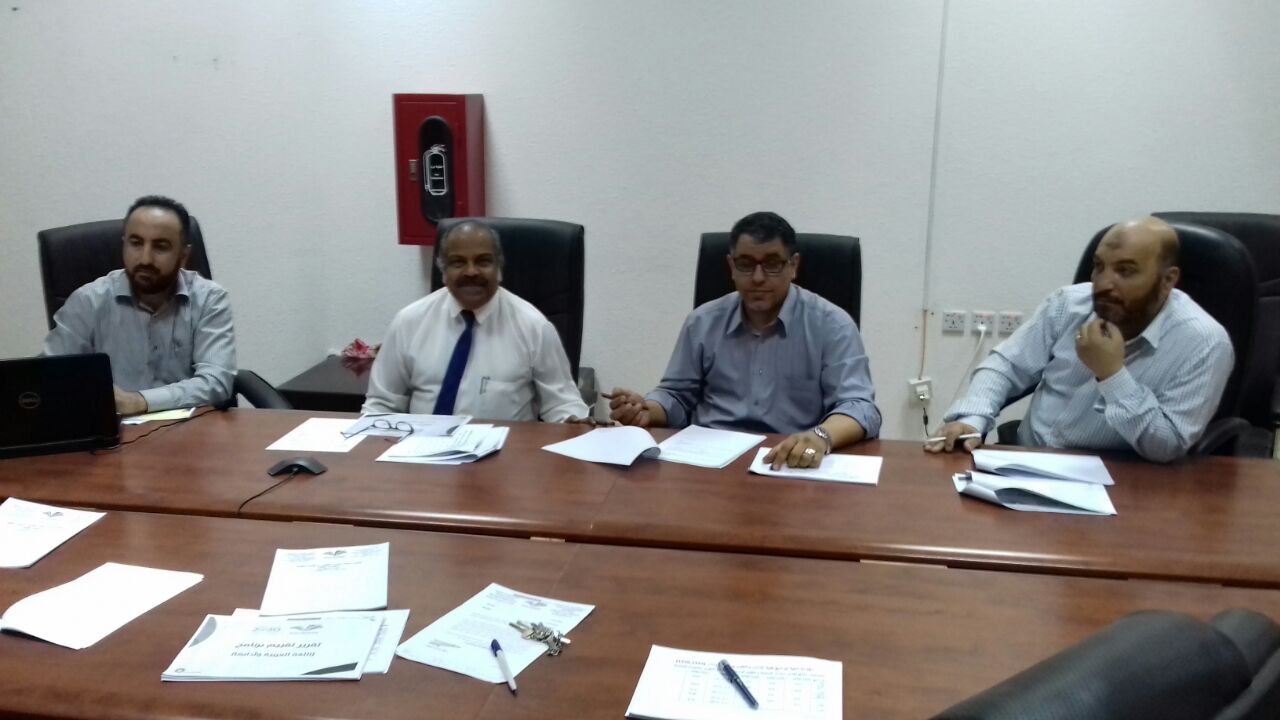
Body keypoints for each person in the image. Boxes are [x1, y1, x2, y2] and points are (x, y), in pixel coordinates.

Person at [926, 216, 1233, 463]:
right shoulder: (1068, 305)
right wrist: (973, 418)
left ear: (1167, 280)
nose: (1103, 283)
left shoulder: (1205, 343)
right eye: (1099, 267)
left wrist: (1112, 376)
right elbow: (1006, 365)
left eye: (1125, 271)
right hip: (1027, 461)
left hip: (1121, 484)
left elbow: (1168, 445)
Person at [609, 211, 881, 469]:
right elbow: (677, 397)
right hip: (706, 463)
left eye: (772, 265)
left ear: (793, 266)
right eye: (746, 265)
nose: (758, 278)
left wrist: (821, 436)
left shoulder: (832, 325)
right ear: (732, 266)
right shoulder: (702, 322)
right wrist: (647, 409)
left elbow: (859, 407)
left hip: (788, 460)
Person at [362, 220, 591, 422]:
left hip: (507, 453)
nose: (471, 272)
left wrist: (573, 422)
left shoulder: (534, 327)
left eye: (483, 261)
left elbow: (562, 404)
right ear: (443, 271)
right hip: (422, 452)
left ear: (499, 268)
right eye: (458, 262)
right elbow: (381, 405)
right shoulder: (408, 322)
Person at [42, 195, 236, 415]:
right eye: (136, 243)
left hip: (192, 429)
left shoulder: (209, 299)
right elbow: (48, 378)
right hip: (113, 429)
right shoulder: (88, 301)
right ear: (124, 245)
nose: (145, 259)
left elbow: (216, 382)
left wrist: (140, 401)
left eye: (160, 247)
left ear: (183, 256)